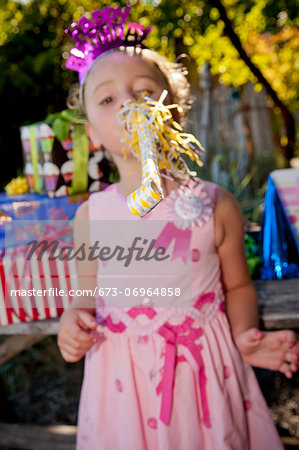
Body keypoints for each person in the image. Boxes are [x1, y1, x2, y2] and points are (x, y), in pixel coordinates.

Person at [58, 6, 299, 449]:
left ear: (174, 113)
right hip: (122, 385)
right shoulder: (91, 217)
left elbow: (239, 288)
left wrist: (246, 335)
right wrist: (72, 324)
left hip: (204, 372)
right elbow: (84, 300)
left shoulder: (214, 203)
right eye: (108, 99)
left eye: (144, 91)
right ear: (91, 132)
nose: (129, 104)